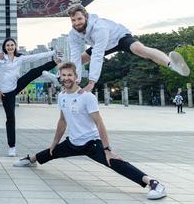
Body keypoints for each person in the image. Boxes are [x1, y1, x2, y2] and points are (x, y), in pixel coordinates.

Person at [13, 62, 167, 200]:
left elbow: (99, 123)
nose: (66, 78)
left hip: (91, 143)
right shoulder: (61, 96)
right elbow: (62, 120)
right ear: (60, 76)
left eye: (70, 75)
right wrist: (54, 143)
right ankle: (30, 160)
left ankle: (154, 184)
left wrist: (107, 149)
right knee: (51, 152)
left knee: (115, 162)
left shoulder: (87, 97)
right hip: (73, 142)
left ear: (76, 76)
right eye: (64, 75)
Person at [67, 4, 190, 93]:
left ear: (86, 18)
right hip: (102, 44)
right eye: (73, 20)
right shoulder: (73, 34)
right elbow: (75, 57)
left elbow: (97, 55)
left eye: (79, 19)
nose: (77, 23)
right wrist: (75, 82)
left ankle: (172, 64)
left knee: (140, 50)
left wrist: (91, 83)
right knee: (78, 60)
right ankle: (61, 78)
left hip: (118, 37)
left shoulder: (100, 28)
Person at [0, 37, 61, 157]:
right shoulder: (0, 59)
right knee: (10, 118)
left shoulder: (20, 58)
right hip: (6, 92)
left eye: (12, 45)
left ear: (15, 46)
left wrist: (52, 53)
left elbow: (36, 57)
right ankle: (11, 147)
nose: (10, 47)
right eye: (7, 45)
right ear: (4, 47)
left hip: (16, 86)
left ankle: (55, 62)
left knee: (33, 72)